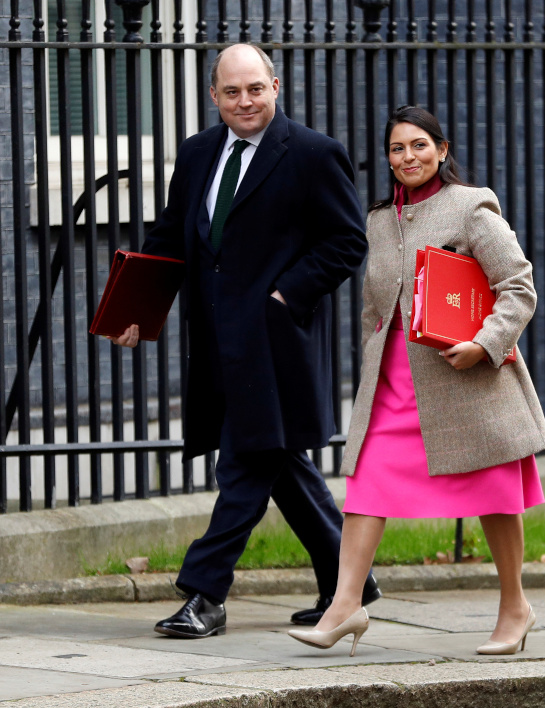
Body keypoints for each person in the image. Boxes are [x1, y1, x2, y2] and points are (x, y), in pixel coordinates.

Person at [110, 44, 380, 638]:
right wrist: (134, 306)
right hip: (213, 343)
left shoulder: (312, 154)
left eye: (255, 88)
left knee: (245, 464)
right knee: (279, 458)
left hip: (271, 344)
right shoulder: (199, 152)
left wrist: (285, 296)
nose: (245, 101)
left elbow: (345, 241)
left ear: (275, 86)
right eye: (232, 92)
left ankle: (206, 593)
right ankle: (349, 582)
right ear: (214, 97)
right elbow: (170, 236)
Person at [288, 106, 545, 658]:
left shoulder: (471, 207)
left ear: (442, 149)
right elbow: (372, 307)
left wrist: (485, 343)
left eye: (418, 146)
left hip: (468, 380)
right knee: (365, 486)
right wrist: (370, 361)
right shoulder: (379, 221)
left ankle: (515, 607)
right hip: (393, 385)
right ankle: (344, 606)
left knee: (496, 494)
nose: (407, 157)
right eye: (396, 149)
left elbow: (519, 286)